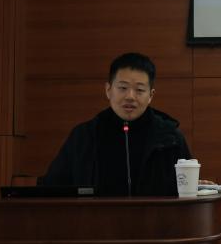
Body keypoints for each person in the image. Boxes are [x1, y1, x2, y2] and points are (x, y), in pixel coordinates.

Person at [37, 52, 192, 196]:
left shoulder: (170, 139)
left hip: (155, 218)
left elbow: (188, 192)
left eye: (139, 90)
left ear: (151, 95)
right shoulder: (84, 136)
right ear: (108, 90)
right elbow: (52, 190)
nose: (130, 96)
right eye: (123, 88)